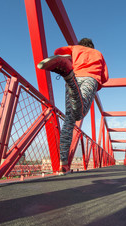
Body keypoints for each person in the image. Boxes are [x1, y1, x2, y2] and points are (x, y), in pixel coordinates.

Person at [37, 38, 109, 174]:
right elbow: (105, 77)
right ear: (92, 46)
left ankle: (63, 164)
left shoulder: (74, 48)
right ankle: (68, 75)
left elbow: (58, 52)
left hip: (76, 77)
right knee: (78, 114)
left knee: (69, 121)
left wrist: (73, 57)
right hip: (90, 78)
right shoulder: (98, 53)